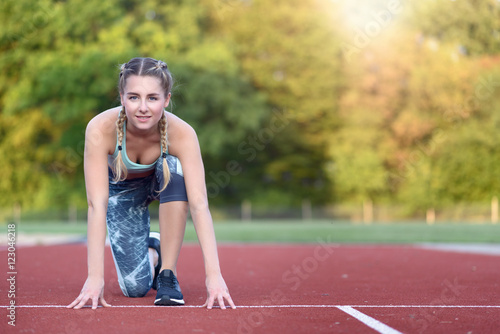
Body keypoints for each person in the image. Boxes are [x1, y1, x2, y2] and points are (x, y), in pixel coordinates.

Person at [67, 57, 236, 310]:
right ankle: (153, 249)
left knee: (173, 166)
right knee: (135, 289)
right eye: (134, 97)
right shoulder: (100, 129)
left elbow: (199, 204)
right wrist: (95, 279)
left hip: (164, 181)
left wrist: (214, 276)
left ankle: (167, 273)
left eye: (152, 98)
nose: (143, 107)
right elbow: (96, 205)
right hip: (122, 189)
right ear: (122, 97)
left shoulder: (183, 133)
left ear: (166, 99)